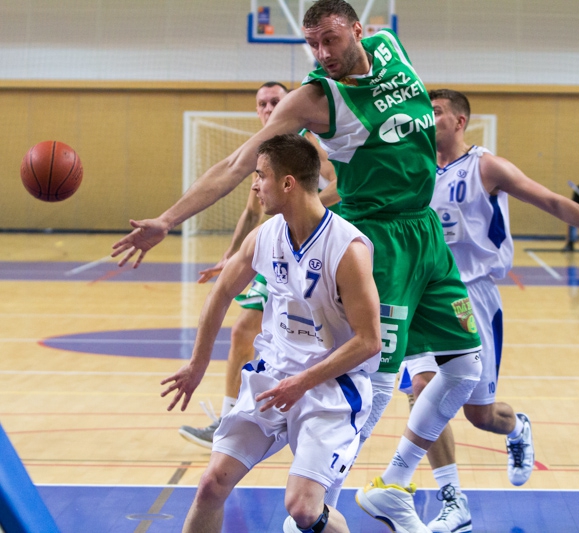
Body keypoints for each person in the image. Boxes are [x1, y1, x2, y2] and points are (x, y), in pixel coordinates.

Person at [112, 2, 485, 530]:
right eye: (313, 44)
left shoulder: (389, 47)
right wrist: (167, 220)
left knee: (466, 367)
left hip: (424, 228)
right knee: (373, 374)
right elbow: (237, 164)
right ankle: (313, 510)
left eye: (332, 40)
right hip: (378, 238)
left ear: (358, 30)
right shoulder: (313, 100)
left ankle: (393, 487)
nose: (323, 54)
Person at [396, 89, 579, 533]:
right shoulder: (410, 167)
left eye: (435, 113)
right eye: (423, 113)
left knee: (480, 415)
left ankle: (516, 427)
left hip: (471, 295)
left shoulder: (486, 166)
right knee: (421, 391)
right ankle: (453, 500)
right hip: (422, 295)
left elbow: (551, 200)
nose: (427, 119)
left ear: (459, 122)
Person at [161, 133, 382, 533]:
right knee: (211, 484)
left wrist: (303, 382)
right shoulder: (264, 236)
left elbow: (369, 342)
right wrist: (197, 364)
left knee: (302, 509)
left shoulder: (347, 248)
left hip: (330, 388)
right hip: (272, 377)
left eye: (260, 175)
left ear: (288, 183)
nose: (254, 185)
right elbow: (221, 292)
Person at [179, 82, 340, 449]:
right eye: (262, 103)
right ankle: (231, 417)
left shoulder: (309, 144)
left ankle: (290, 415)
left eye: (276, 101)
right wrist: (231, 256)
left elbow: (343, 185)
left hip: (311, 243)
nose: (268, 108)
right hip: (278, 244)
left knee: (306, 337)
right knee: (243, 332)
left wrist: (304, 205)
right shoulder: (266, 153)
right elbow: (253, 212)